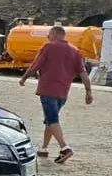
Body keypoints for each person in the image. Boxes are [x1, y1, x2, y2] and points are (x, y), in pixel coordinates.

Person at [20, 25, 93, 164]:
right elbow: (83, 73)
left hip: (48, 89)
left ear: (54, 34)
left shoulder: (48, 47)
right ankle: (44, 148)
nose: (48, 37)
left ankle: (64, 148)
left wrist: (24, 78)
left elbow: (35, 66)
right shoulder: (75, 51)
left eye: (49, 34)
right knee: (50, 120)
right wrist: (88, 91)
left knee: (52, 120)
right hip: (63, 92)